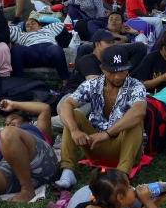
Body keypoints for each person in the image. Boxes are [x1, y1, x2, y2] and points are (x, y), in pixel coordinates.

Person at [60, 45, 147, 176]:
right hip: (96, 146)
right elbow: (66, 105)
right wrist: (74, 131)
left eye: (122, 71)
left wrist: (107, 134)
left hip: (125, 150)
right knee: (74, 115)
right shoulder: (92, 84)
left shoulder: (136, 86)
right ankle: (67, 172)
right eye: (112, 71)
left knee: (135, 122)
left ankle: (121, 175)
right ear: (102, 69)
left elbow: (139, 112)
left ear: (128, 66)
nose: (118, 76)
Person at [0, 99, 60, 202]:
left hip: (42, 162)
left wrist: (14, 104)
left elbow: (45, 109)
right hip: (13, 168)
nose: (8, 123)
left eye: (13, 119)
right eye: (5, 123)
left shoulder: (36, 130)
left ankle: (27, 190)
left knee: (8, 134)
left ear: (26, 122)